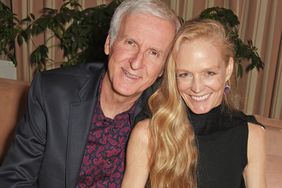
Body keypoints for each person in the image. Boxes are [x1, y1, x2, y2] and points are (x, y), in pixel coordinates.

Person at [0, 0, 180, 187]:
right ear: (109, 43)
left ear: (162, 69)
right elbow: (15, 178)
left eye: (153, 53)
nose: (136, 63)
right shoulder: (52, 93)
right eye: (130, 42)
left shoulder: (166, 116)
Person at [122, 19, 266, 188]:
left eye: (209, 73)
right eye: (184, 74)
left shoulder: (251, 135)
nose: (196, 88)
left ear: (228, 69)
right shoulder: (148, 133)